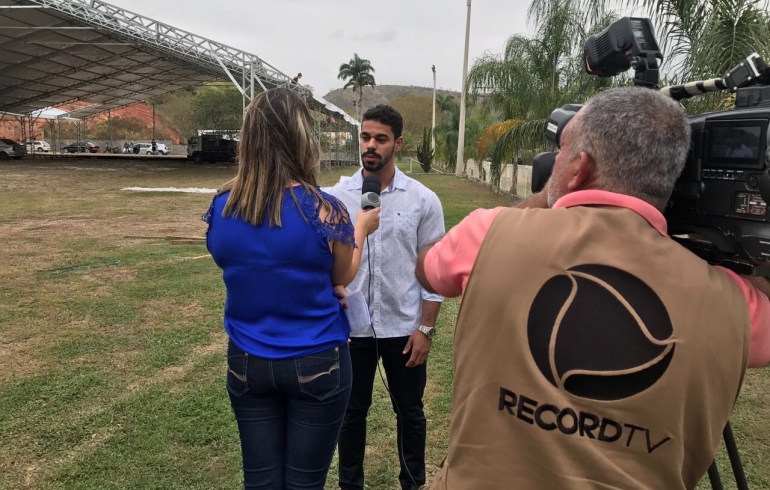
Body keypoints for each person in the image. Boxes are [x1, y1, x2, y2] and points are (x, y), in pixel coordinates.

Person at [415, 87, 770, 490]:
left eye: (561, 152)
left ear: (578, 168)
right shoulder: (734, 302)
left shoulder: (488, 234)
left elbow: (428, 269)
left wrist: (547, 198)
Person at [203, 87, 380, 490]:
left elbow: (232, 262)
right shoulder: (324, 208)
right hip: (318, 358)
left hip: (247, 359)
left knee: (261, 481)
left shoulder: (223, 207)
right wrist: (363, 231)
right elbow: (342, 277)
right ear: (301, 137)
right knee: (305, 483)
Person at [328, 105, 446, 490]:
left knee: (410, 413)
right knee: (350, 414)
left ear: (397, 142)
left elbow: (433, 270)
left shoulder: (422, 199)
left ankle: (413, 483)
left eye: (380, 139)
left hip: (404, 327)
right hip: (352, 329)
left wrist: (425, 328)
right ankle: (350, 485)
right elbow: (322, 264)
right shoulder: (336, 197)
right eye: (365, 137)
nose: (371, 146)